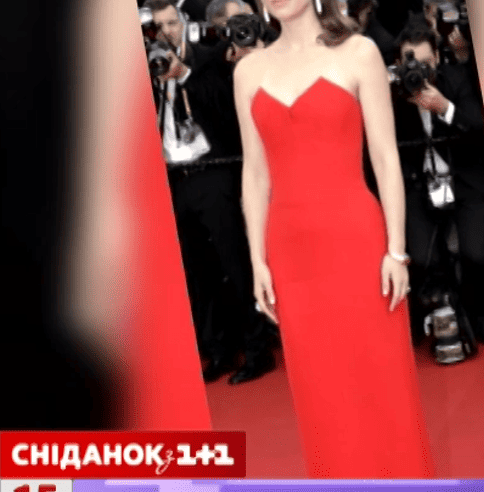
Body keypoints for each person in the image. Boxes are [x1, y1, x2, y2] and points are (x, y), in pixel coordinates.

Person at [233, 0, 434, 478]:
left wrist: (396, 250)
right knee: (319, 392)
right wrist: (258, 259)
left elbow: (385, 158)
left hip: (358, 244)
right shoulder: (248, 71)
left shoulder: (359, 53)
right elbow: (255, 174)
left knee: (381, 383)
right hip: (291, 255)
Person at [145, 0, 276, 385]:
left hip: (214, 173)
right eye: (158, 26)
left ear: (184, 21)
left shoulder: (210, 57)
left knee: (234, 264)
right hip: (176, 179)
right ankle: (217, 350)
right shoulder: (147, 69)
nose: (167, 31)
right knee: (196, 273)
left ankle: (257, 350)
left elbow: (225, 109)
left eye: (171, 22)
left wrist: (184, 75)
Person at [391, 17, 484, 346]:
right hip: (419, 183)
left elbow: (480, 126)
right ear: (399, 64)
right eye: (411, 63)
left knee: (477, 254)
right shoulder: (392, 92)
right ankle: (439, 314)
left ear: (438, 58)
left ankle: (483, 316)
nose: (419, 71)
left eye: (426, 63)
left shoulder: (456, 79)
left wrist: (445, 109)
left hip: (464, 178)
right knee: (421, 258)